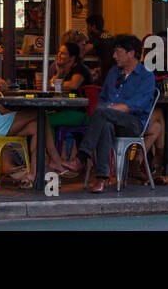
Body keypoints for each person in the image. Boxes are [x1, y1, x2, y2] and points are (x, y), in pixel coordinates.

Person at [0, 39, 67, 187]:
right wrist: (17, 111)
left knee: (38, 126)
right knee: (39, 113)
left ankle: (34, 172)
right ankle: (56, 160)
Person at [59, 35, 157, 192]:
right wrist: (106, 110)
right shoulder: (113, 72)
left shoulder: (146, 76)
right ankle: (101, 179)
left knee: (102, 114)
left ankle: (80, 158)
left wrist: (107, 109)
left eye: (118, 52)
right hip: (108, 119)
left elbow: (135, 106)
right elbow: (102, 98)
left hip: (133, 123)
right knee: (105, 125)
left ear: (131, 53)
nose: (114, 56)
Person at [84, 14, 116, 84]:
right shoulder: (108, 34)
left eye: (88, 26)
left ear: (93, 27)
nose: (87, 28)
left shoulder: (97, 36)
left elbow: (85, 50)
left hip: (105, 69)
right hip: (113, 68)